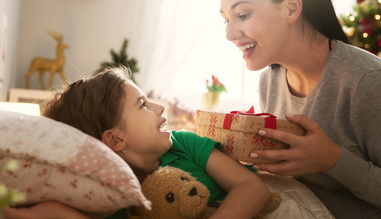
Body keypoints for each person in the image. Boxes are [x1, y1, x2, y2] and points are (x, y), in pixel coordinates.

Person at [220, 0, 381, 218]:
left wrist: (333, 160)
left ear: (291, 7)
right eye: (226, 19)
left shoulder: (366, 81)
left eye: (243, 15)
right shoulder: (271, 81)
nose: (230, 34)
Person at [3, 67, 271, 219]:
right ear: (115, 139)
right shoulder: (114, 197)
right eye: (142, 104)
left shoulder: (183, 143)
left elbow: (253, 188)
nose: (158, 107)